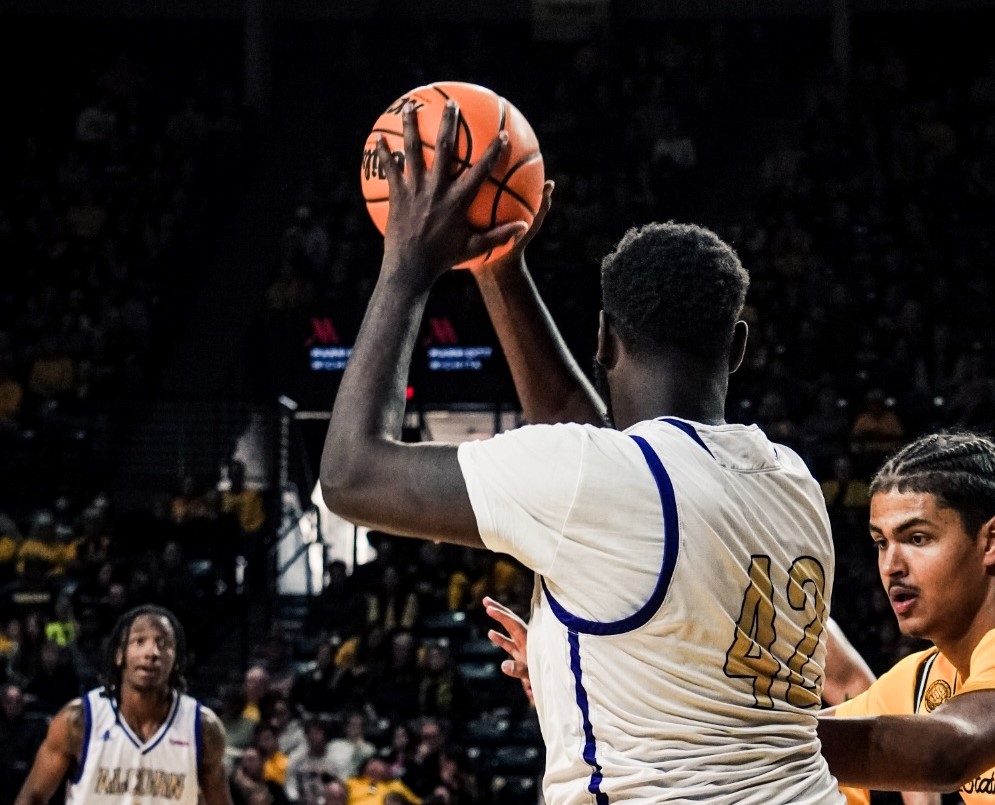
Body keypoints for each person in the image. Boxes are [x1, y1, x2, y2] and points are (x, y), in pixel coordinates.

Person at [322, 102, 844, 801]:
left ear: (601, 341)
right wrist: (499, 270)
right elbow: (601, 455)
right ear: (738, 348)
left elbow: (350, 476)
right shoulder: (791, 480)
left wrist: (407, 263)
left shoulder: (605, 483)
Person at [820, 432, 995, 802]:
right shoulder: (920, 678)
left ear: (991, 541)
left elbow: (944, 753)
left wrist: (762, 740)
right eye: (881, 543)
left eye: (917, 538)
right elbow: (811, 738)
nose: (891, 566)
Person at [13, 604, 232, 805]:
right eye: (139, 641)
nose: (152, 653)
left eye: (163, 644)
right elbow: (32, 797)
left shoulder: (202, 728)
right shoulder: (79, 720)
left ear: (176, 660)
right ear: (119, 655)